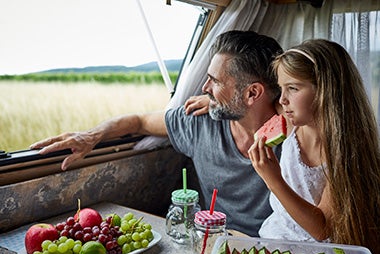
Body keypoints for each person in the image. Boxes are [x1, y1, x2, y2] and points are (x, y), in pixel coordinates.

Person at [30, 30, 284, 237]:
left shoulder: (297, 136)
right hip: (210, 241)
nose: (204, 88)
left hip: (270, 248)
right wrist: (91, 136)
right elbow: (138, 121)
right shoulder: (198, 122)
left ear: (252, 93)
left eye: (215, 81)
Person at [248, 39, 380, 254]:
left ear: (326, 91)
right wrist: (213, 103)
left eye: (292, 88)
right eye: (281, 88)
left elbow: (322, 229)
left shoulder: (344, 152)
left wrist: (273, 179)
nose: (283, 99)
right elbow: (256, 104)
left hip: (316, 252)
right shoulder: (290, 119)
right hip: (273, 240)